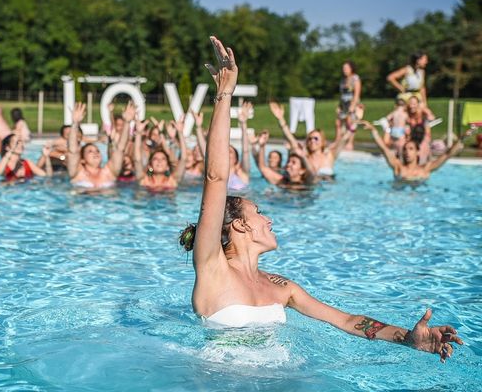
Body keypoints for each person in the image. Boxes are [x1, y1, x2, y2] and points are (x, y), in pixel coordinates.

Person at [178, 36, 462, 362]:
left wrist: (407, 338)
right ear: (240, 224)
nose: (268, 219)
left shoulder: (282, 286)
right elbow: (215, 177)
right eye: (259, 213)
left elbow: (347, 321)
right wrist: (224, 94)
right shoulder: (213, 267)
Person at [270, 101, 361, 180]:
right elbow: (291, 139)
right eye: (310, 138)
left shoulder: (329, 155)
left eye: (316, 138)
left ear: (322, 142)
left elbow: (344, 139)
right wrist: (281, 119)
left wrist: (356, 120)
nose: (312, 141)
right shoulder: (305, 156)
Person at [360, 120, 466, 182]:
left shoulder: (425, 169)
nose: (407, 152)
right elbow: (384, 148)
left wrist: (462, 138)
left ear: (417, 152)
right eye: (405, 149)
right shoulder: (398, 167)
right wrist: (373, 130)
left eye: (411, 149)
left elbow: (447, 154)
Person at [67, 101, 135, 189]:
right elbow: (72, 151)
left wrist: (127, 123)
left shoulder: (109, 172)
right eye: (90, 151)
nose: (96, 153)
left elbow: (120, 149)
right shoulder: (77, 173)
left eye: (97, 151)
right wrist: (74, 124)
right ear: (82, 160)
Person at [133, 117, 187, 190]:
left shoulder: (173, 180)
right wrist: (139, 133)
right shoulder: (144, 180)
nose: (159, 161)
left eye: (163, 159)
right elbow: (137, 160)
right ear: (150, 166)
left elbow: (183, 159)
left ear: (168, 166)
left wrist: (180, 132)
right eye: (155, 159)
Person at [335, 61, 361, 151]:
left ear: (351, 68)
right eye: (343, 68)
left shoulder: (355, 79)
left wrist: (353, 106)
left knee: (350, 123)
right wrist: (339, 106)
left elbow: (356, 94)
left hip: (352, 103)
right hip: (343, 104)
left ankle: (350, 142)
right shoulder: (343, 80)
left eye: (346, 68)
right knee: (338, 123)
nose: (344, 70)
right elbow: (341, 94)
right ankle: (337, 141)